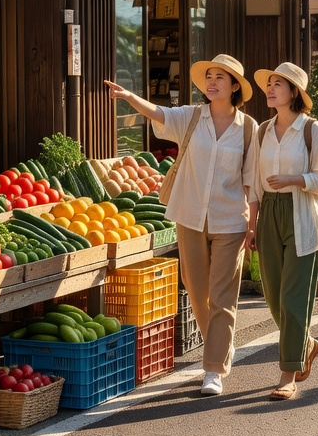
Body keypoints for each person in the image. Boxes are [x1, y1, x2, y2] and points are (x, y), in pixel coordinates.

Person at [104, 54, 256, 397]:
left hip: (231, 219)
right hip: (189, 216)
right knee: (196, 289)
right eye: (210, 76)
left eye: (221, 77)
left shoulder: (248, 129)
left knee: (222, 295)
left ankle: (213, 368)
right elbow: (159, 114)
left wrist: (253, 224)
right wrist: (129, 97)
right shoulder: (191, 117)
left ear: (235, 87)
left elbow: (251, 181)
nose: (213, 81)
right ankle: (219, 346)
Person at [245, 63, 318, 401]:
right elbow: (254, 181)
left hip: (302, 215)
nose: (269, 89)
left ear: (294, 92)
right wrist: (251, 224)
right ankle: (306, 344)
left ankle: (287, 375)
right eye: (268, 84)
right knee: (272, 296)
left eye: (277, 84)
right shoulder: (263, 130)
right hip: (268, 213)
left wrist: (295, 180)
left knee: (293, 299)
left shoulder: (313, 130)